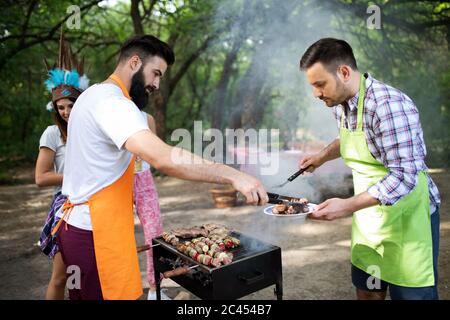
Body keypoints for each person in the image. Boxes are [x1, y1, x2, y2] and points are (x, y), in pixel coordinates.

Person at [52, 34, 268, 300]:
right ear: (134, 63)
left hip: (83, 228)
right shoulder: (113, 103)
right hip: (96, 234)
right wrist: (232, 175)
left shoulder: (91, 96)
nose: (155, 84)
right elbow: (163, 158)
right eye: (155, 73)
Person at [298, 38, 440, 300]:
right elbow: (353, 138)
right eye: (313, 86)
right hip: (369, 217)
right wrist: (320, 157)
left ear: (343, 72)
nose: (316, 94)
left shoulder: (389, 105)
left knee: (412, 297)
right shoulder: (340, 105)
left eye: (320, 84)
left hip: (408, 218)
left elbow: (403, 178)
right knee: (369, 293)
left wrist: (346, 205)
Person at [35, 32, 90, 300]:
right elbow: (41, 177)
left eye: (71, 105)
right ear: (55, 108)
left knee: (86, 276)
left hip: (92, 207)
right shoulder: (52, 134)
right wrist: (73, 175)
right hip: (65, 208)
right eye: (61, 107)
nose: (66, 112)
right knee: (61, 277)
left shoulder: (89, 132)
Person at [132, 111, 169, 300]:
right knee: (117, 237)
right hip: (116, 182)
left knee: (155, 234)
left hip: (143, 178)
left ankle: (155, 289)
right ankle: (122, 290)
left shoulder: (147, 118)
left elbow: (155, 152)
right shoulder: (110, 111)